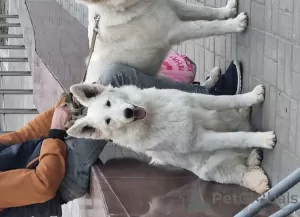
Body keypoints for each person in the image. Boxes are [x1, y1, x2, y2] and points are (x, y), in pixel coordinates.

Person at [0, 61, 242, 217]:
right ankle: (212, 97)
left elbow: (23, 138)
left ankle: (200, 96)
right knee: (117, 78)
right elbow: (42, 186)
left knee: (110, 83)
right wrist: (55, 133)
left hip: (57, 151)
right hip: (66, 178)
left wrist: (65, 107)